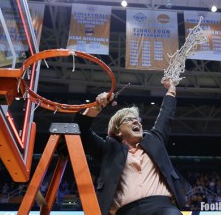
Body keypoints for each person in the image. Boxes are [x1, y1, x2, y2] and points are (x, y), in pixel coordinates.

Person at [74, 79, 186, 215]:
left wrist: (171, 90)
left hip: (162, 207)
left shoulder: (154, 139)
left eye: (137, 119)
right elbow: (81, 130)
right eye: (128, 119)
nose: (135, 121)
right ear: (118, 131)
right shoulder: (108, 150)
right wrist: (98, 106)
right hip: (127, 211)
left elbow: (165, 116)